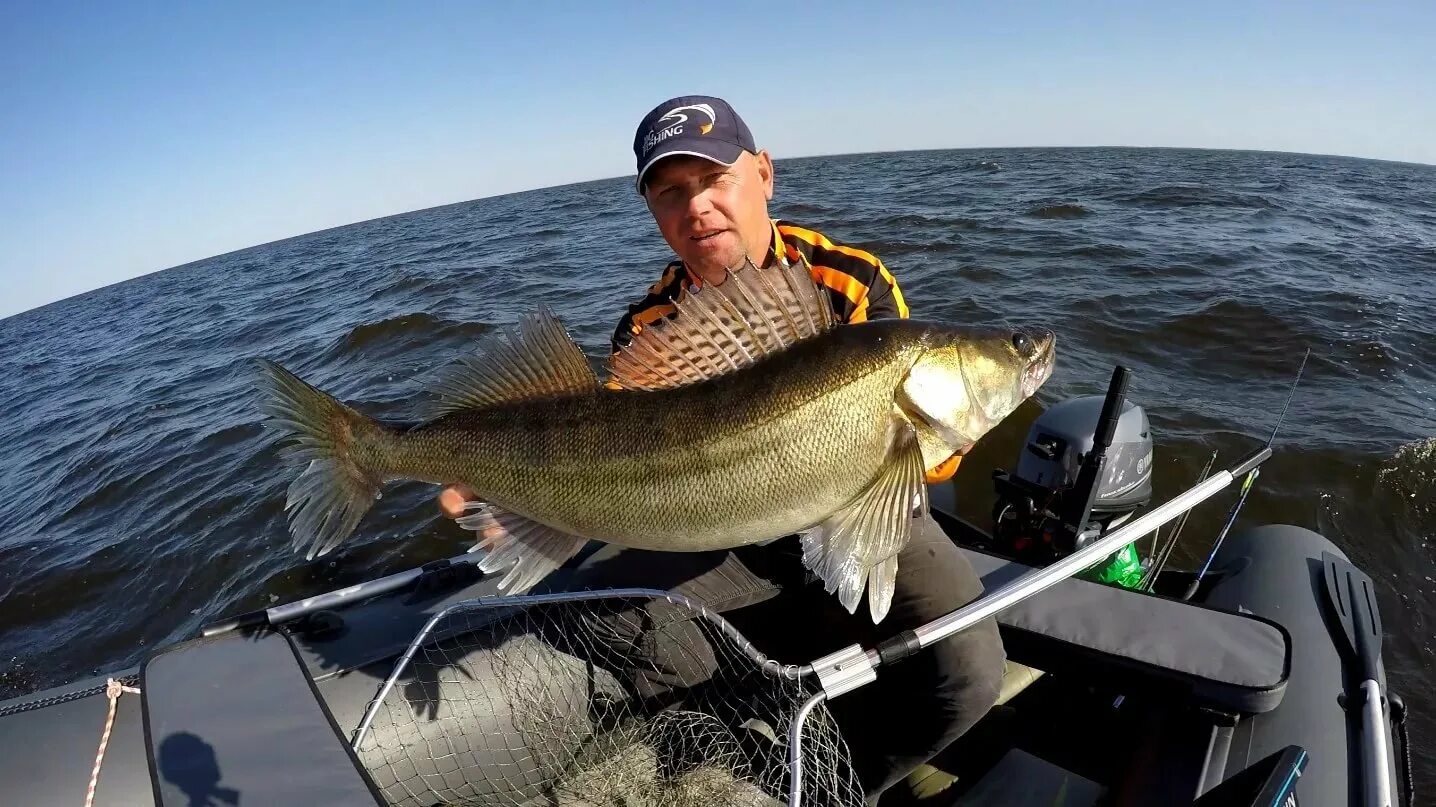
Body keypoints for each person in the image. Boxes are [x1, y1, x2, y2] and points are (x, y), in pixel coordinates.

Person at [438, 95, 1005, 804]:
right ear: (651, 209)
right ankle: (744, 724)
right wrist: (524, 505)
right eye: (670, 191)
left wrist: (947, 437)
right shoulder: (646, 323)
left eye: (713, 178)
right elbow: (621, 472)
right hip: (718, 518)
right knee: (582, 611)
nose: (696, 205)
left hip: (862, 505)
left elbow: (927, 460)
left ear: (764, 174)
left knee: (970, 666)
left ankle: (842, 782)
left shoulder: (849, 280)